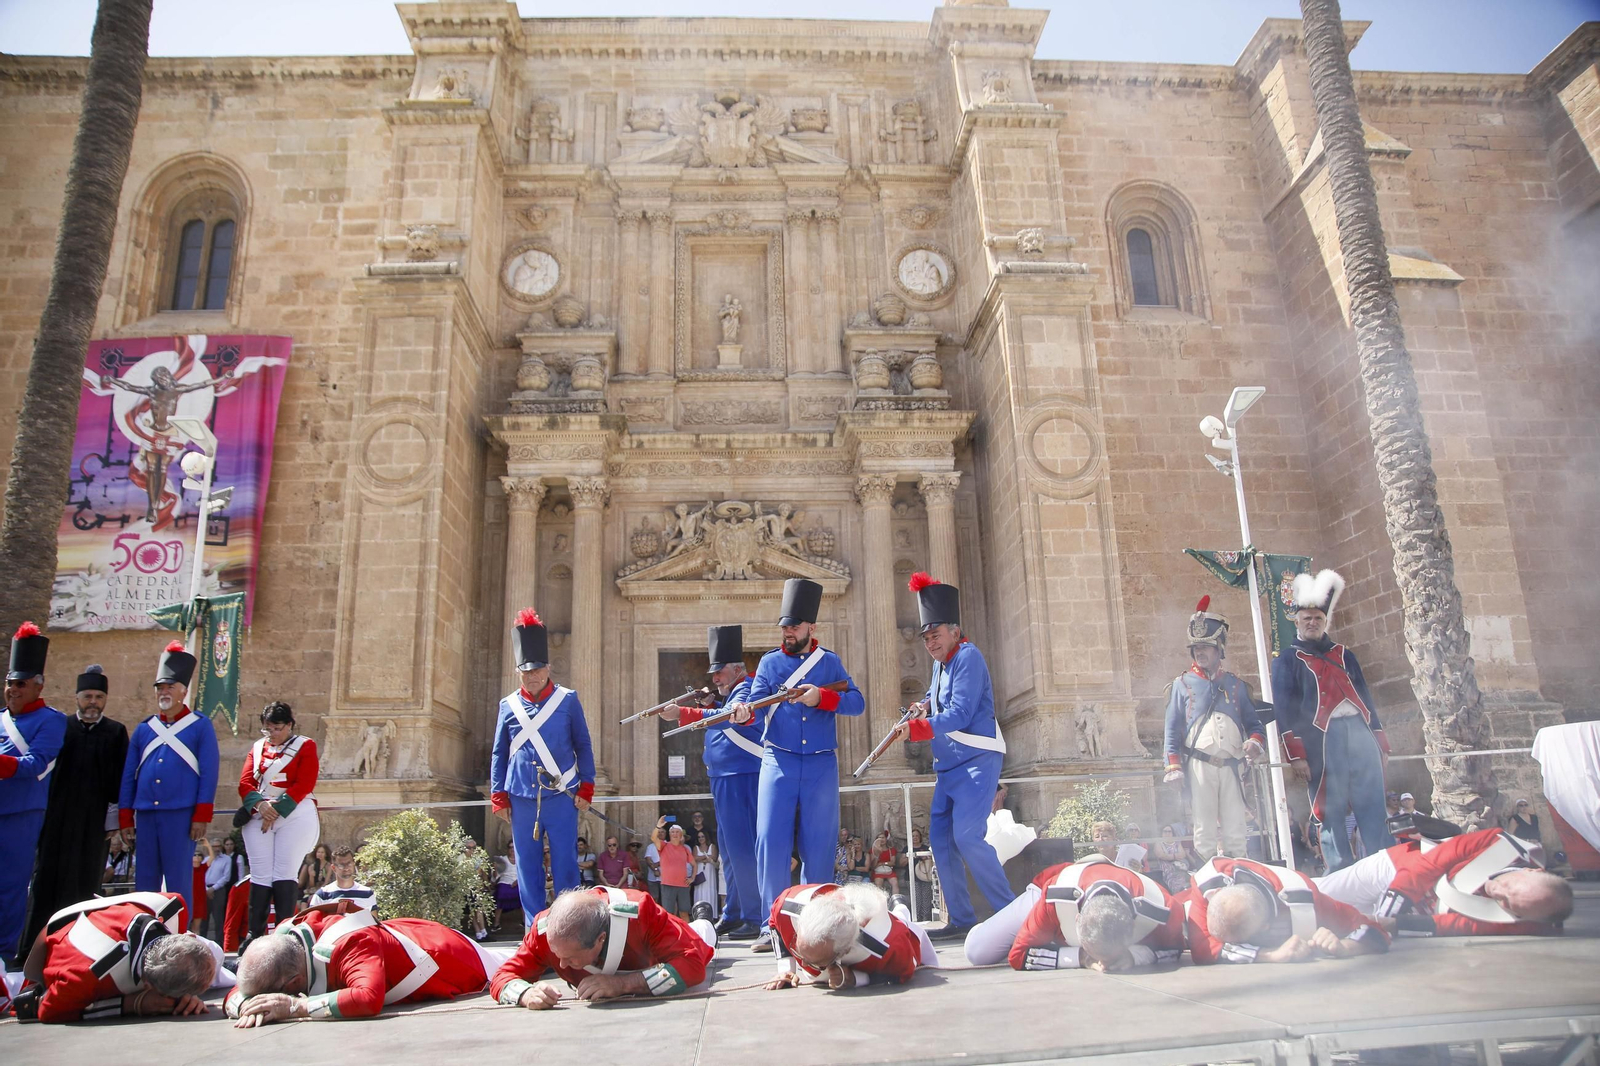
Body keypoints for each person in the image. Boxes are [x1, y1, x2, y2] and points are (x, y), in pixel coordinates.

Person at [729, 577, 864, 949]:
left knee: (819, 846)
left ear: (810, 627)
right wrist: (742, 715)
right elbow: (756, 707)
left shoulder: (829, 662)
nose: (787, 632)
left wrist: (821, 696)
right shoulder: (770, 662)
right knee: (770, 841)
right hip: (779, 760)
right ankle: (772, 925)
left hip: (821, 763)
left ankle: (815, 927)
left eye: (793, 626)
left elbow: (856, 702)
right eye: (784, 626)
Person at [889, 573, 1015, 941]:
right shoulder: (941, 664)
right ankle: (961, 918)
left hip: (976, 760)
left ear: (955, 631)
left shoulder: (969, 657)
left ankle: (1009, 911)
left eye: (935, 635)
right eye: (926, 638)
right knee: (941, 842)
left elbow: (959, 714)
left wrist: (918, 728)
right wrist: (921, 706)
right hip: (948, 766)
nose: (930, 643)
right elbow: (936, 696)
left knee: (968, 837)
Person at [1271, 569, 1393, 872]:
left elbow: (1366, 698)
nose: (1312, 623)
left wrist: (1380, 743)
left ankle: (1382, 868)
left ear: (1326, 622)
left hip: (1360, 734)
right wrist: (1297, 755)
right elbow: (1284, 709)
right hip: (1323, 742)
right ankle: (1340, 872)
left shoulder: (1344, 654)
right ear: (1297, 622)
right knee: (1330, 809)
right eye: (1307, 619)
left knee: (1372, 805)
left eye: (1318, 619)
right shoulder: (1288, 660)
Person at [226, 904, 512, 1024]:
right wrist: (244, 1006)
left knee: (521, 961)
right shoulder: (281, 943)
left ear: (293, 985)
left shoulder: (351, 943)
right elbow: (243, 986)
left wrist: (294, 1007)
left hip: (452, 958)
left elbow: (367, 998)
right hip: (402, 938)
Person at [489, 607, 595, 921]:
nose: (532, 676)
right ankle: (534, 930)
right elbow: (499, 753)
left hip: (561, 794)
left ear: (548, 667)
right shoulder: (507, 706)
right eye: (526, 671)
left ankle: (570, 927)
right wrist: (498, 795)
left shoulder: (567, 700)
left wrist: (586, 786)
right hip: (521, 796)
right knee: (527, 866)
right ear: (518, 671)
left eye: (537, 670)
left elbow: (583, 745)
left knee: (565, 864)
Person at [21, 662, 129, 957]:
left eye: (98, 697)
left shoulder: (116, 732)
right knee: (46, 883)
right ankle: (33, 949)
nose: (93, 702)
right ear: (77, 698)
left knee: (85, 884)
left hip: (92, 825)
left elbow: (119, 780)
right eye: (88, 696)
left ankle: (77, 951)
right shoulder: (60, 727)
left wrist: (114, 824)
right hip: (55, 820)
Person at [666, 624, 763, 938]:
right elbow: (721, 711)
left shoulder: (746, 688)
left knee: (743, 848)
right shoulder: (732, 692)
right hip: (724, 777)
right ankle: (734, 911)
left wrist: (684, 712)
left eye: (719, 672)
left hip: (741, 776)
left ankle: (753, 914)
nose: (715, 678)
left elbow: (730, 716)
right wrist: (708, 704)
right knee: (730, 849)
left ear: (737, 669)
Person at [1316, 822, 1571, 937]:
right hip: (1397, 869)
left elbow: (1456, 926)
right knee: (1313, 894)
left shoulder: (1529, 921)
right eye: (1510, 887)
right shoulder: (1497, 841)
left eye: (1509, 904)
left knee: (1330, 926)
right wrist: (1387, 914)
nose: (1497, 893)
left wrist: (1388, 925)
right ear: (1532, 871)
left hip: (1421, 912)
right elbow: (1429, 865)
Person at [117, 640, 219, 916]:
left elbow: (209, 773)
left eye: (169, 687)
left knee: (178, 879)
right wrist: (126, 816)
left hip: (181, 813)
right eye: (160, 688)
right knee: (145, 880)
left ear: (183, 691)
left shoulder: (200, 726)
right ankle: (144, 930)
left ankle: (179, 934)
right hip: (147, 813)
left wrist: (201, 815)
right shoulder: (144, 729)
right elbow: (129, 774)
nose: (163, 692)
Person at [488, 885, 716, 1008]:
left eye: (571, 958)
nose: (560, 964)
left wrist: (623, 984)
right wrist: (525, 994)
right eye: (557, 955)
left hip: (673, 939)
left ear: (601, 940)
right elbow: (503, 976)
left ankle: (705, 918)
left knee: (702, 936)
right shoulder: (543, 932)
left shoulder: (641, 912)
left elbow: (692, 964)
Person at [1162, 597, 1265, 859]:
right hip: (1200, 766)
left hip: (1232, 765)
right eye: (1196, 647)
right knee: (1204, 830)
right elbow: (1172, 730)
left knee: (1236, 830)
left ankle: (1240, 871)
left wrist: (1254, 742)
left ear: (1219, 649)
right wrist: (1173, 766)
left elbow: (1254, 725)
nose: (1200, 652)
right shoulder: (1181, 684)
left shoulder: (1236, 685)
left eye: (1206, 647)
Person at [11, 891, 219, 1022]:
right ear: (148, 985)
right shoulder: (83, 976)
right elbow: (50, 1011)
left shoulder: (173, 905)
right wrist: (130, 1004)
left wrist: (185, 997)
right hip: (58, 953)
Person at [964, 856, 1185, 972]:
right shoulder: (1052, 900)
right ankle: (983, 928)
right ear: (1077, 921)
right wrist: (1081, 957)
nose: (1105, 966)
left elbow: (1175, 949)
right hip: (1049, 890)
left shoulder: (1164, 909)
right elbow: (1018, 955)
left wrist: (1132, 957)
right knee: (978, 952)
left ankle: (1052, 940)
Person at [0, 621, 68, 966]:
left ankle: (3, 953)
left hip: (21, 813)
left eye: (20, 684)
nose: (12, 690)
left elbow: (37, 764)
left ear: (37, 686)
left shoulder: (51, 720)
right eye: (9, 683)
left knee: (9, 887)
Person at [1186, 854, 1389, 964]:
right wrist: (1271, 955)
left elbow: (1375, 931)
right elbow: (1203, 949)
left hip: (1312, 884)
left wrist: (1344, 947)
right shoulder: (1208, 887)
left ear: (1265, 927)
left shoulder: (1308, 903)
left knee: (1383, 920)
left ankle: (1399, 919)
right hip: (1183, 900)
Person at [238, 701, 320, 942]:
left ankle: (285, 933)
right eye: (267, 729)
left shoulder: (305, 745)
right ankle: (254, 933)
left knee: (284, 873)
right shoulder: (257, 747)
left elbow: (305, 782)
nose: (272, 734)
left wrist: (277, 810)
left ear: (289, 725)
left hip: (293, 814)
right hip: (260, 812)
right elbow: (245, 782)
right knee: (260, 874)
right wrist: (262, 806)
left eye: (277, 728)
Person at [765, 881, 936, 990]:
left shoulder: (889, 945)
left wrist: (858, 978)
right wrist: (786, 969)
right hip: (840, 901)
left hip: (879, 925)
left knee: (900, 918)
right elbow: (774, 923)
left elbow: (903, 971)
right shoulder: (787, 907)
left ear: (844, 951)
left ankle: (900, 907)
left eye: (815, 962)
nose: (803, 963)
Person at [651, 818, 698, 920]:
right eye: (672, 832)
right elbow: (654, 838)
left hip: (683, 885)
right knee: (668, 914)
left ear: (681, 835)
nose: (674, 834)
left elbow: (694, 864)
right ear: (669, 834)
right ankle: (670, 935)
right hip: (668, 884)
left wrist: (692, 878)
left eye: (677, 832)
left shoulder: (685, 849)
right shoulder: (664, 846)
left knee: (684, 912)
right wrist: (658, 826)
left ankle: (687, 934)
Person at [308, 845, 377, 911]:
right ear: (334, 868)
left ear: (354, 864)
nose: (346, 868)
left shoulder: (367, 893)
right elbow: (313, 920)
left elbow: (374, 921)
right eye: (341, 865)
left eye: (349, 864)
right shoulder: (322, 895)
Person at [204, 835, 246, 942]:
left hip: (218, 890)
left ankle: (219, 943)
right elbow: (201, 876)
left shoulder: (226, 859)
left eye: (218, 846)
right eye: (213, 846)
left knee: (219, 919)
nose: (216, 848)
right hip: (205, 890)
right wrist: (206, 889)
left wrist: (213, 889)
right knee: (203, 919)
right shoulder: (206, 860)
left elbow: (226, 877)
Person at [1149, 824, 1192, 895]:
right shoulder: (1159, 843)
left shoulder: (1177, 842)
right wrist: (1175, 856)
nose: (1167, 833)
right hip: (1165, 869)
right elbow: (1161, 855)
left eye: (1169, 831)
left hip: (1179, 868)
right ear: (1162, 833)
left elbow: (1182, 854)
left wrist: (1170, 856)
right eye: (1165, 831)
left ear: (1172, 833)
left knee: (1183, 877)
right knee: (1171, 876)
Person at [692, 829, 720, 915]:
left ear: (706, 837)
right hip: (700, 871)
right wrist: (706, 857)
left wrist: (701, 858)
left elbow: (714, 857)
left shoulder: (712, 846)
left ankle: (712, 914)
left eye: (702, 836)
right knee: (700, 890)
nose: (701, 838)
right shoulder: (696, 847)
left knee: (710, 889)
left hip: (710, 872)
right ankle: (699, 913)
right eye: (699, 837)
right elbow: (694, 858)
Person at [494, 843, 521, 929]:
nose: (512, 849)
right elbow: (496, 877)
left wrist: (518, 881)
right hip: (504, 882)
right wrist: (495, 869)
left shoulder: (521, 859)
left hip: (518, 882)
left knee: (523, 894)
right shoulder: (502, 860)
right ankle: (496, 924)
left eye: (514, 847)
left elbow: (525, 874)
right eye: (510, 847)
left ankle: (525, 922)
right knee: (501, 893)